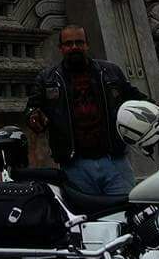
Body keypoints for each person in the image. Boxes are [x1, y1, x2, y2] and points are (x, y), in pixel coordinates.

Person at [25, 24, 150, 196]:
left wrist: (154, 109)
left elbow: (135, 97)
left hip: (114, 162)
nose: (74, 47)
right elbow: (32, 107)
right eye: (69, 44)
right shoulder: (47, 79)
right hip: (74, 166)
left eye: (79, 42)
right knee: (85, 219)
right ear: (61, 48)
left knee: (125, 212)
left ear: (87, 45)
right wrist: (34, 115)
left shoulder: (110, 72)